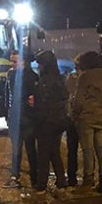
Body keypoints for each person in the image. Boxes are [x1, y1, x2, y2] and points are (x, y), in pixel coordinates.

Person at [71, 51, 102, 191]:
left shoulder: (85, 76)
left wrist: (75, 114)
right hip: (101, 117)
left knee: (87, 150)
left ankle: (88, 180)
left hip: (86, 118)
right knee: (101, 150)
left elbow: (79, 99)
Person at [33, 50, 70, 191]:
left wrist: (38, 117)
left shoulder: (45, 82)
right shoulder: (60, 79)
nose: (39, 67)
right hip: (59, 121)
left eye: (40, 64)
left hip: (47, 121)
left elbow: (43, 103)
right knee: (54, 151)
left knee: (43, 154)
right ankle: (61, 179)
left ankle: (42, 183)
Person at [6, 50, 39, 188]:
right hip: (29, 117)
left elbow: (9, 97)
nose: (12, 64)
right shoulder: (34, 76)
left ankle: (15, 176)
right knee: (30, 148)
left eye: (14, 61)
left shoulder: (12, 75)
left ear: (23, 61)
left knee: (17, 149)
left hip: (20, 117)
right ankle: (35, 178)